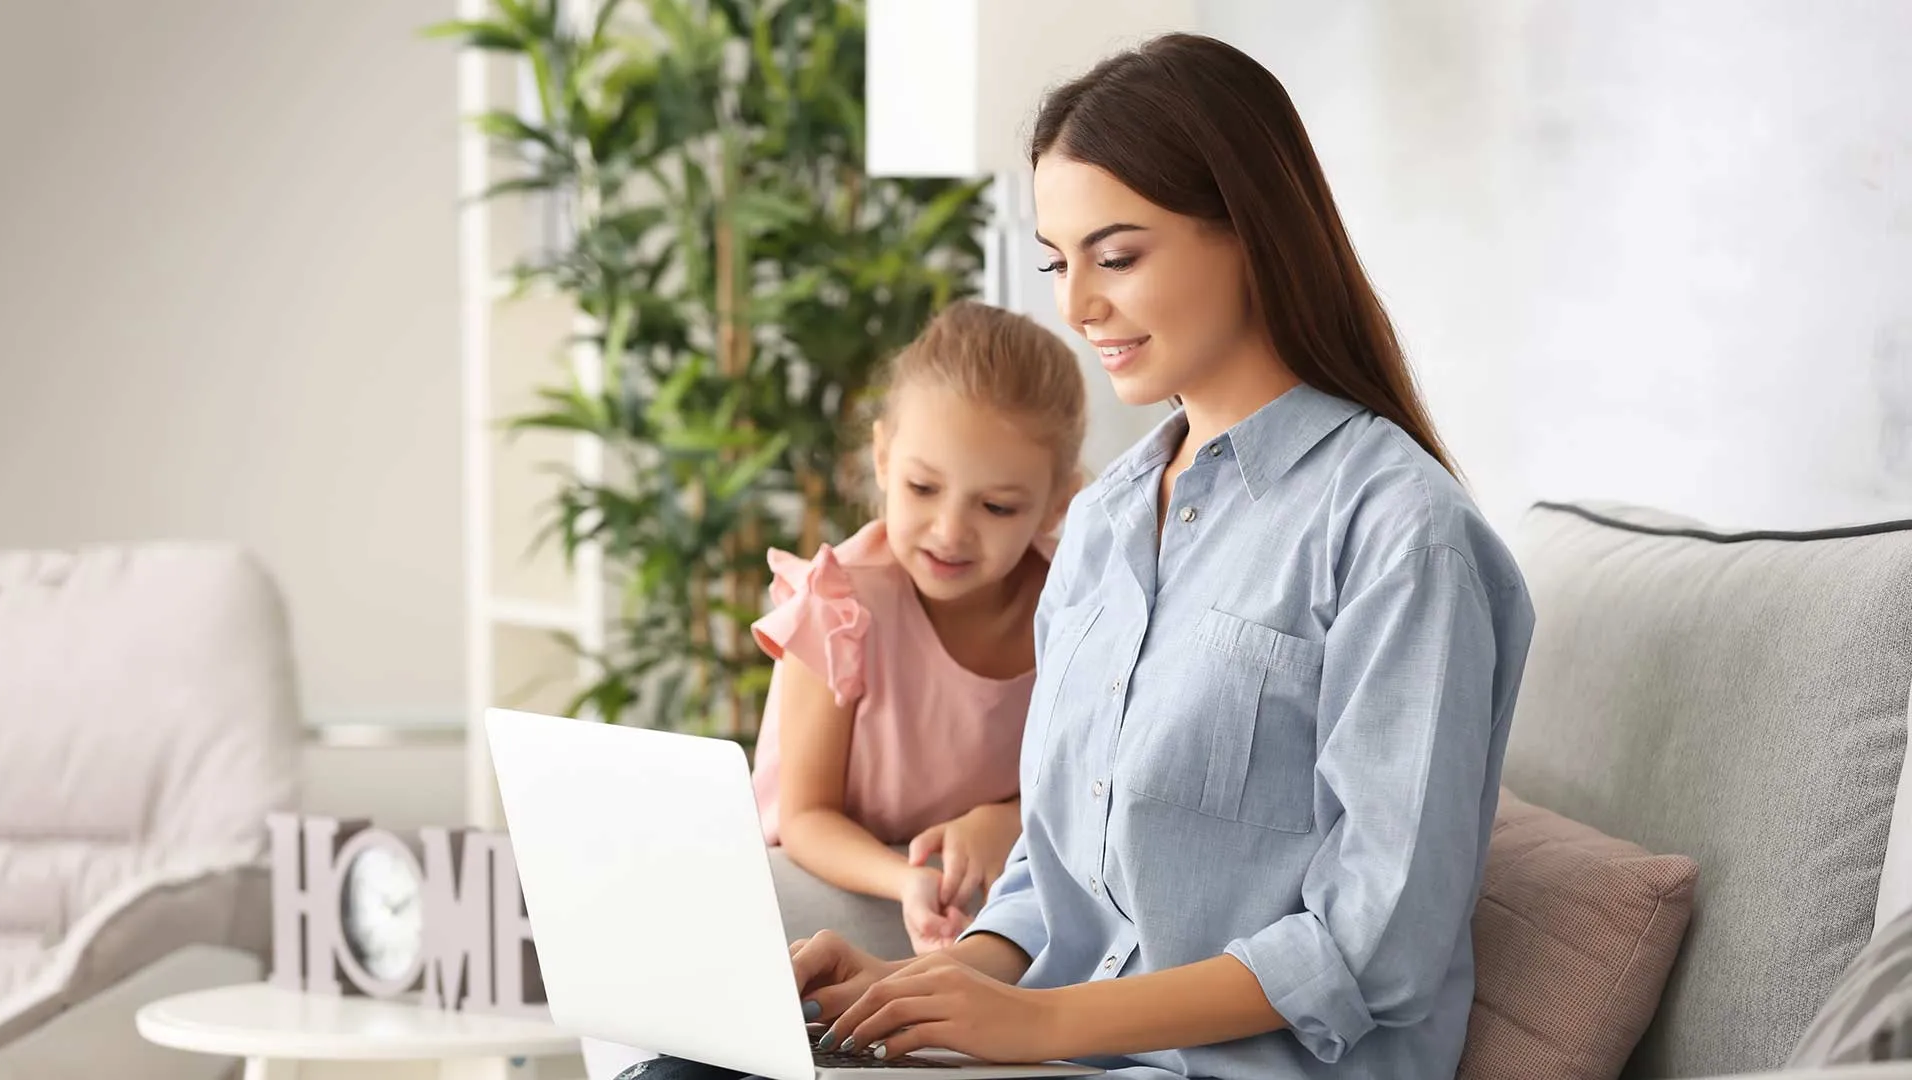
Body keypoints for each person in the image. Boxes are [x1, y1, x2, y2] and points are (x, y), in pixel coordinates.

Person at [631, 31, 1536, 1080]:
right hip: (1055, 1057)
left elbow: (1378, 946)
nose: (1075, 306)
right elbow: (1059, 870)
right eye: (1060, 263)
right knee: (690, 1062)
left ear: (1249, 230)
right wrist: (943, 985)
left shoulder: (1400, 534)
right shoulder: (1105, 523)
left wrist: (1038, 1027)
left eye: (1117, 256)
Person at [750, 300, 1088, 956]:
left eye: (995, 506)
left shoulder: (1079, 611)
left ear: (1058, 504)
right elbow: (806, 819)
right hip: (832, 881)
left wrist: (1007, 822)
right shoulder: (838, 604)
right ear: (882, 459)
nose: (950, 531)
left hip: (983, 899)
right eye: (922, 488)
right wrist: (905, 880)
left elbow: (1093, 790)